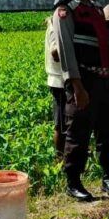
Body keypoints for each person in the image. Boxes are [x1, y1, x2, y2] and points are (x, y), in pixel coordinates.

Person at [53, 0, 109, 202]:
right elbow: (65, 51)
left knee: (107, 132)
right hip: (84, 82)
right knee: (78, 134)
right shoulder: (65, 10)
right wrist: (77, 85)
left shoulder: (95, 9)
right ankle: (73, 182)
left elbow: (105, 47)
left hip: (103, 81)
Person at [44, 16, 66, 158]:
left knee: (64, 122)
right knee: (60, 124)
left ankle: (64, 156)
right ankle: (59, 159)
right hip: (60, 81)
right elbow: (55, 53)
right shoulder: (54, 29)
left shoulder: (54, 26)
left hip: (61, 80)